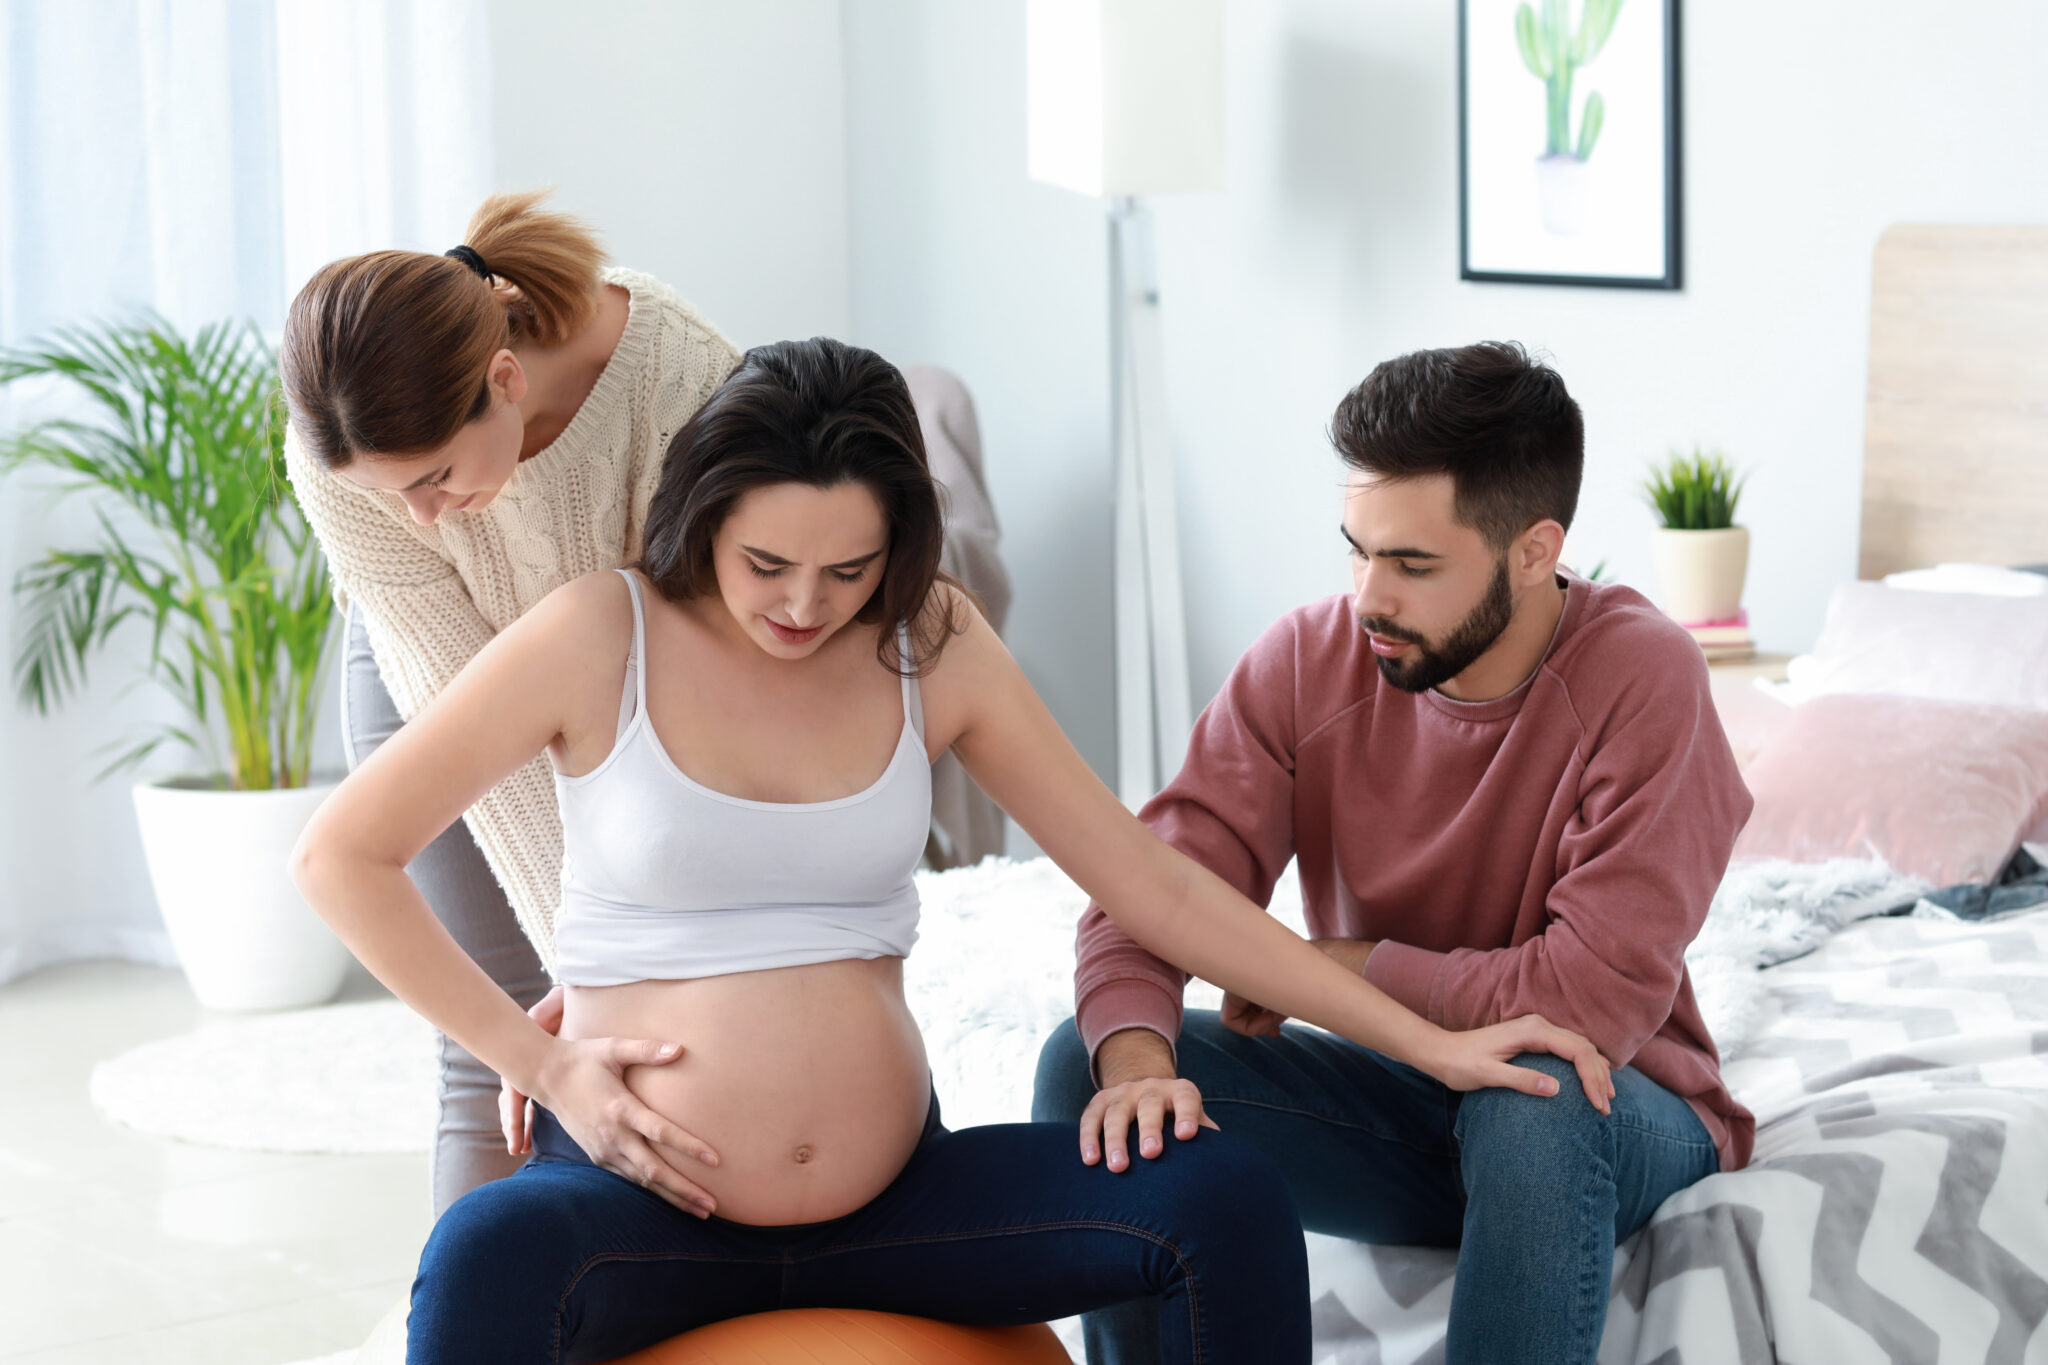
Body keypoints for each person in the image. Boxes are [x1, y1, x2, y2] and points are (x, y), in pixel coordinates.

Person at [288, 338, 1617, 1364]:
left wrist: (1428, 1042)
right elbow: (344, 855)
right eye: (766, 566)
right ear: (704, 515)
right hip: (647, 1208)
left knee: (1223, 1201)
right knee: (480, 1253)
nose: (805, 607)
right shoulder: (601, 635)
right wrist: (537, 1059)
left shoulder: (931, 640)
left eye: (849, 570)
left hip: (899, 1204)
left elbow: (1148, 881)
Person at [1034, 342, 1755, 1365]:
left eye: (1411, 564)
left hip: (1617, 1111)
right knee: (1088, 1066)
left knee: (1531, 1092)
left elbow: (1583, 1004)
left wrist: (1335, 966)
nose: (1368, 595)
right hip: (1393, 1099)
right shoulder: (1307, 659)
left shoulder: (1644, 678)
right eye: (1356, 550)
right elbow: (1148, 892)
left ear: (1532, 551)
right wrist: (1143, 1063)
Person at [280, 191, 740, 1214]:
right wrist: (564, 1014)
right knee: (494, 1044)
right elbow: (469, 713)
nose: (418, 516)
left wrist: (625, 968)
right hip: (431, 682)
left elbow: (701, 677)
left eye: (436, 477)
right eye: (384, 494)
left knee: (655, 1031)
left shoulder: (683, 385)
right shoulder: (343, 461)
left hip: (638, 689)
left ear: (503, 381)